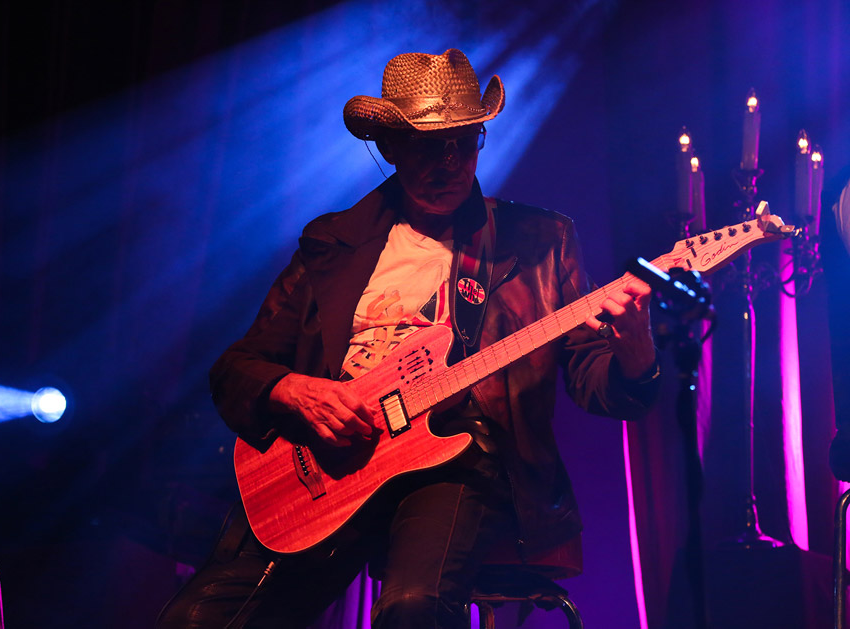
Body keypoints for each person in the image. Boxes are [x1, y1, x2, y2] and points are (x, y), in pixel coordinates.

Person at [157, 48, 659, 628]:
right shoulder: (332, 243)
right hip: (329, 467)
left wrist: (635, 350)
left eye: (462, 143)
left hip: (457, 461)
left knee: (414, 609)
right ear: (389, 146)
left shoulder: (539, 241)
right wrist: (294, 391)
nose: (448, 164)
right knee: (196, 620)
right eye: (427, 146)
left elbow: (598, 383)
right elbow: (236, 369)